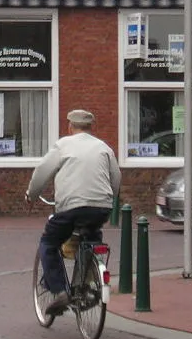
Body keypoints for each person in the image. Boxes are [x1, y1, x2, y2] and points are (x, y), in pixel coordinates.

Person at [25, 108, 121, 315]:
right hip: (100, 208)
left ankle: (60, 291)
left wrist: (31, 195)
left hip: (71, 208)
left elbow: (42, 172)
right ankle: (85, 285)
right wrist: (108, 199)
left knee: (49, 243)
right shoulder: (104, 148)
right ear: (90, 127)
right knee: (92, 239)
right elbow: (116, 178)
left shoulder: (63, 145)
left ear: (70, 126)